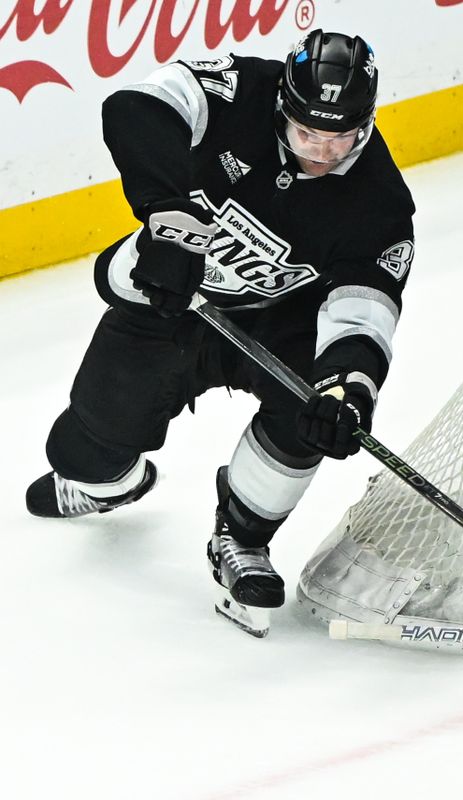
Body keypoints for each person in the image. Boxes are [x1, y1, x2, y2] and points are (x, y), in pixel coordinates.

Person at [25, 30, 416, 636]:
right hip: (171, 298)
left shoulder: (380, 203)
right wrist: (167, 217)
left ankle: (242, 537)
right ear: (282, 105)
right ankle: (111, 484)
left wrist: (349, 387)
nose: (321, 152)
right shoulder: (239, 89)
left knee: (313, 407)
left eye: (340, 138)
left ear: (366, 122)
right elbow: (136, 108)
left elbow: (364, 309)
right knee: (80, 454)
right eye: (307, 134)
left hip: (279, 324)